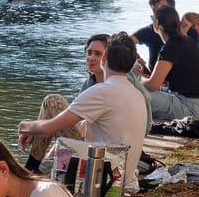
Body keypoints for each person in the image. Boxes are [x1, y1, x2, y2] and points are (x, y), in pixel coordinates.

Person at [18, 33, 147, 187]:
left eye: (98, 54)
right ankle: (30, 171)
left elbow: (48, 128)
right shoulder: (137, 95)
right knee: (37, 168)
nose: (91, 57)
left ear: (104, 58)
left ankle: (27, 174)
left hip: (97, 180)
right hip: (120, 179)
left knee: (53, 101)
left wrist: (24, 126)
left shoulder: (102, 91)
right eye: (89, 52)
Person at [141, 5, 199, 121]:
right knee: (136, 86)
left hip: (187, 107)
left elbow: (153, 85)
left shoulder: (171, 47)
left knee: (135, 90)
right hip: (197, 102)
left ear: (157, 24)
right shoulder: (185, 39)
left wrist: (139, 78)